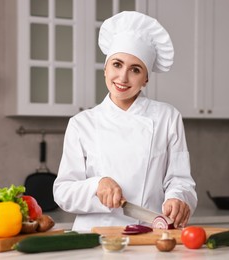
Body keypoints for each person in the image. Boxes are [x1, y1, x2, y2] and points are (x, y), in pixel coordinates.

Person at [53, 11, 197, 231]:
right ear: (105, 68)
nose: (122, 78)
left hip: (149, 237)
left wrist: (178, 199)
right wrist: (96, 185)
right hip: (94, 239)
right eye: (117, 65)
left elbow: (180, 180)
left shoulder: (167, 117)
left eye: (135, 70)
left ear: (146, 78)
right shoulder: (81, 124)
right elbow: (63, 192)